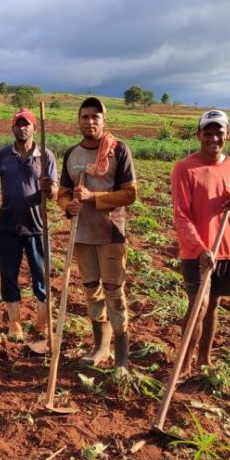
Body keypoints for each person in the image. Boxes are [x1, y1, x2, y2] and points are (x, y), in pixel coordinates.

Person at [171, 109, 230, 377]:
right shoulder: (185, 168)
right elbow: (181, 214)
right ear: (198, 135)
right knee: (199, 305)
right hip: (196, 251)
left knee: (214, 305)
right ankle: (183, 365)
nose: (213, 138)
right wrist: (199, 248)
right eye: (208, 133)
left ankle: (204, 360)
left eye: (219, 132)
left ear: (227, 135)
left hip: (226, 248)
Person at [58, 97, 137, 367]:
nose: (90, 121)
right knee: (92, 291)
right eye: (85, 117)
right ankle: (100, 347)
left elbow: (129, 194)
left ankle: (123, 357)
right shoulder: (72, 154)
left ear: (104, 120)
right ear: (78, 121)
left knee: (114, 292)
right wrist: (69, 205)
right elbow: (62, 193)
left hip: (110, 233)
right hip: (81, 235)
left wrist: (93, 196)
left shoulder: (119, 150)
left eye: (95, 117)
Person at [0, 108, 58, 340]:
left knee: (41, 275)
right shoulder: (1, 156)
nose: (22, 128)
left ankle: (42, 323)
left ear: (34, 128)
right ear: (12, 128)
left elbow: (54, 193)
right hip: (8, 227)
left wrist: (49, 187)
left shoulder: (46, 156)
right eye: (18, 124)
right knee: (8, 275)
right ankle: (14, 324)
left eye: (26, 124)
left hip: (37, 227)